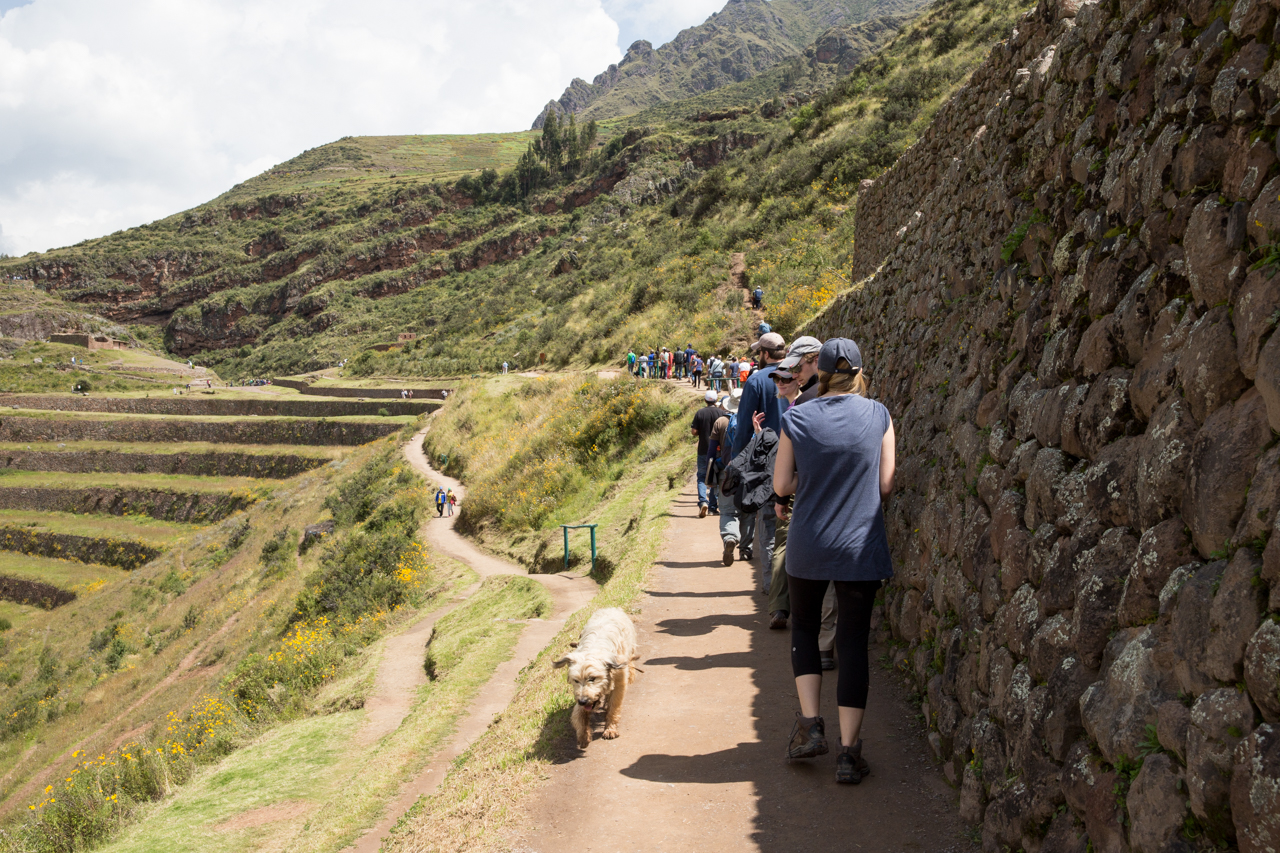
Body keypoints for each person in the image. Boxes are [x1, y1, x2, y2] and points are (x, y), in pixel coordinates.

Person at [773, 338, 894, 784]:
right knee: (852, 642)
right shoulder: (879, 415)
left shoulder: (798, 417)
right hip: (860, 545)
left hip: (808, 543)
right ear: (859, 373)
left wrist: (811, 476)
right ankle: (848, 753)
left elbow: (782, 485)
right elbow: (884, 486)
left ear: (817, 372)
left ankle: (810, 726)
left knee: (804, 627)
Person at [765, 336, 825, 633]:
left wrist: (782, 495)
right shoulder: (863, 406)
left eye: (795, 370)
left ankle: (790, 614)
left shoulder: (802, 406)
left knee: (789, 549)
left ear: (814, 360)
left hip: (804, 494)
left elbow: (791, 469)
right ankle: (822, 639)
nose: (787, 379)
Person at [732, 331, 787, 593]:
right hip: (800, 462)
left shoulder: (756, 381)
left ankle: (772, 590)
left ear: (765, 354)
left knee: (767, 526)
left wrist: (737, 466)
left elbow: (744, 427)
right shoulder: (798, 376)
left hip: (768, 465)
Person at [708, 389, 743, 564]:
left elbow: (711, 450)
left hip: (727, 471)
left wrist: (710, 470)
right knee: (749, 512)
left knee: (728, 510)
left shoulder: (721, 421)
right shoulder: (754, 419)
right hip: (749, 472)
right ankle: (747, 548)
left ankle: (730, 536)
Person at [691, 390, 726, 518]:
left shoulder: (700, 413)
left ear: (705, 400)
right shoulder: (722, 413)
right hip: (718, 450)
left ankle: (702, 502)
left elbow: (694, 431)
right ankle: (712, 507)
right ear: (716, 400)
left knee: (701, 476)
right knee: (715, 477)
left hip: (703, 450)